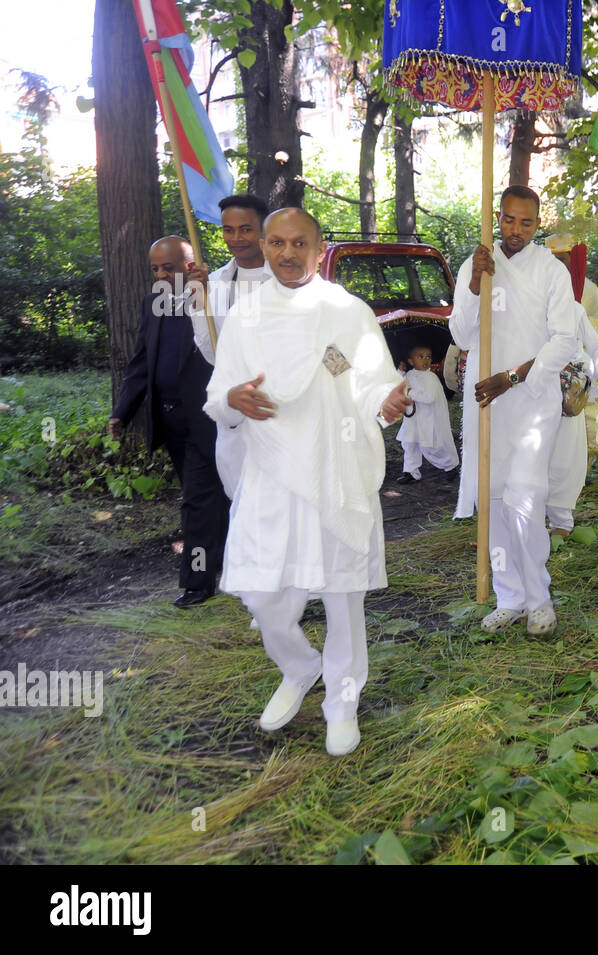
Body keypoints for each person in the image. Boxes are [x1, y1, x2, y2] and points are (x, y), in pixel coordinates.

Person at [203, 207, 410, 757]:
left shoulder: (341, 311)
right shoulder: (245, 316)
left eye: (298, 243)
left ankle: (342, 702)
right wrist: (232, 400)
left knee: (343, 596)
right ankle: (299, 668)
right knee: (262, 596)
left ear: (319, 249)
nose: (287, 253)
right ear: (265, 248)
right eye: (276, 243)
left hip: (331, 465)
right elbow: (218, 392)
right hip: (269, 470)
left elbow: (357, 377)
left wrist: (383, 401)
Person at [450, 185, 579, 635]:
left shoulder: (551, 271)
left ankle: (539, 596)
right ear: (497, 218)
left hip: (529, 399)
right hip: (486, 400)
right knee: (496, 498)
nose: (517, 229)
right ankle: (510, 596)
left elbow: (565, 338)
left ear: (537, 224)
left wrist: (513, 377)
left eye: (527, 222)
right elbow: (462, 335)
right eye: (509, 220)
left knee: (525, 495)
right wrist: (472, 284)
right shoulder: (478, 264)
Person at [109, 236, 228, 608]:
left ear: (190, 265)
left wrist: (203, 294)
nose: (161, 275)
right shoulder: (152, 304)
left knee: (196, 501)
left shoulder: (214, 299)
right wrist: (122, 411)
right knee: (211, 499)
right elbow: (142, 361)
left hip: (209, 418)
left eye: (169, 267)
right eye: (155, 269)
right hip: (170, 419)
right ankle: (223, 560)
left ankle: (197, 582)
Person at [187, 194, 274, 497]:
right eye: (228, 229)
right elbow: (213, 354)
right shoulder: (214, 283)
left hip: (283, 411)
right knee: (243, 506)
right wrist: (199, 299)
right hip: (236, 416)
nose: (235, 238)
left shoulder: (287, 280)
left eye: (245, 229)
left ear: (263, 230)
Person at [546, 234, 598, 467]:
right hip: (548, 369)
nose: (559, 263)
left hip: (582, 364)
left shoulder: (587, 289)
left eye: (563, 258)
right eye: (554, 258)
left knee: (582, 419)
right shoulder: (540, 289)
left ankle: (580, 469)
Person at [396, 344, 459, 484]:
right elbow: (400, 384)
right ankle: (411, 472)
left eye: (428, 357)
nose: (425, 360)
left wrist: (410, 392)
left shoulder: (431, 378)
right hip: (413, 419)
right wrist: (400, 372)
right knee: (409, 443)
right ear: (411, 361)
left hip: (428, 418)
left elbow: (429, 398)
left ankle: (450, 466)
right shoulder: (410, 374)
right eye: (420, 357)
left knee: (432, 446)